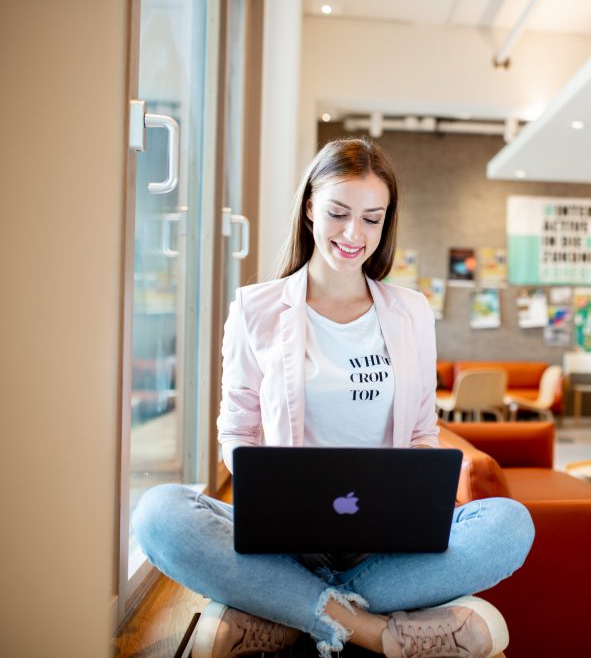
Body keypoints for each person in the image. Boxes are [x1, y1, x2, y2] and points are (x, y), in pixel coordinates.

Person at [132, 138, 535, 658]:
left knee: (509, 526)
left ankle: (285, 611)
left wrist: (409, 495)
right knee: (159, 514)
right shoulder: (256, 308)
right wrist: (275, 490)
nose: (354, 234)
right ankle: (372, 630)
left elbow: (419, 434)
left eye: (372, 218)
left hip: (381, 543)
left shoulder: (411, 312)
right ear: (308, 209)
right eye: (338, 213)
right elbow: (237, 432)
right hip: (286, 541)